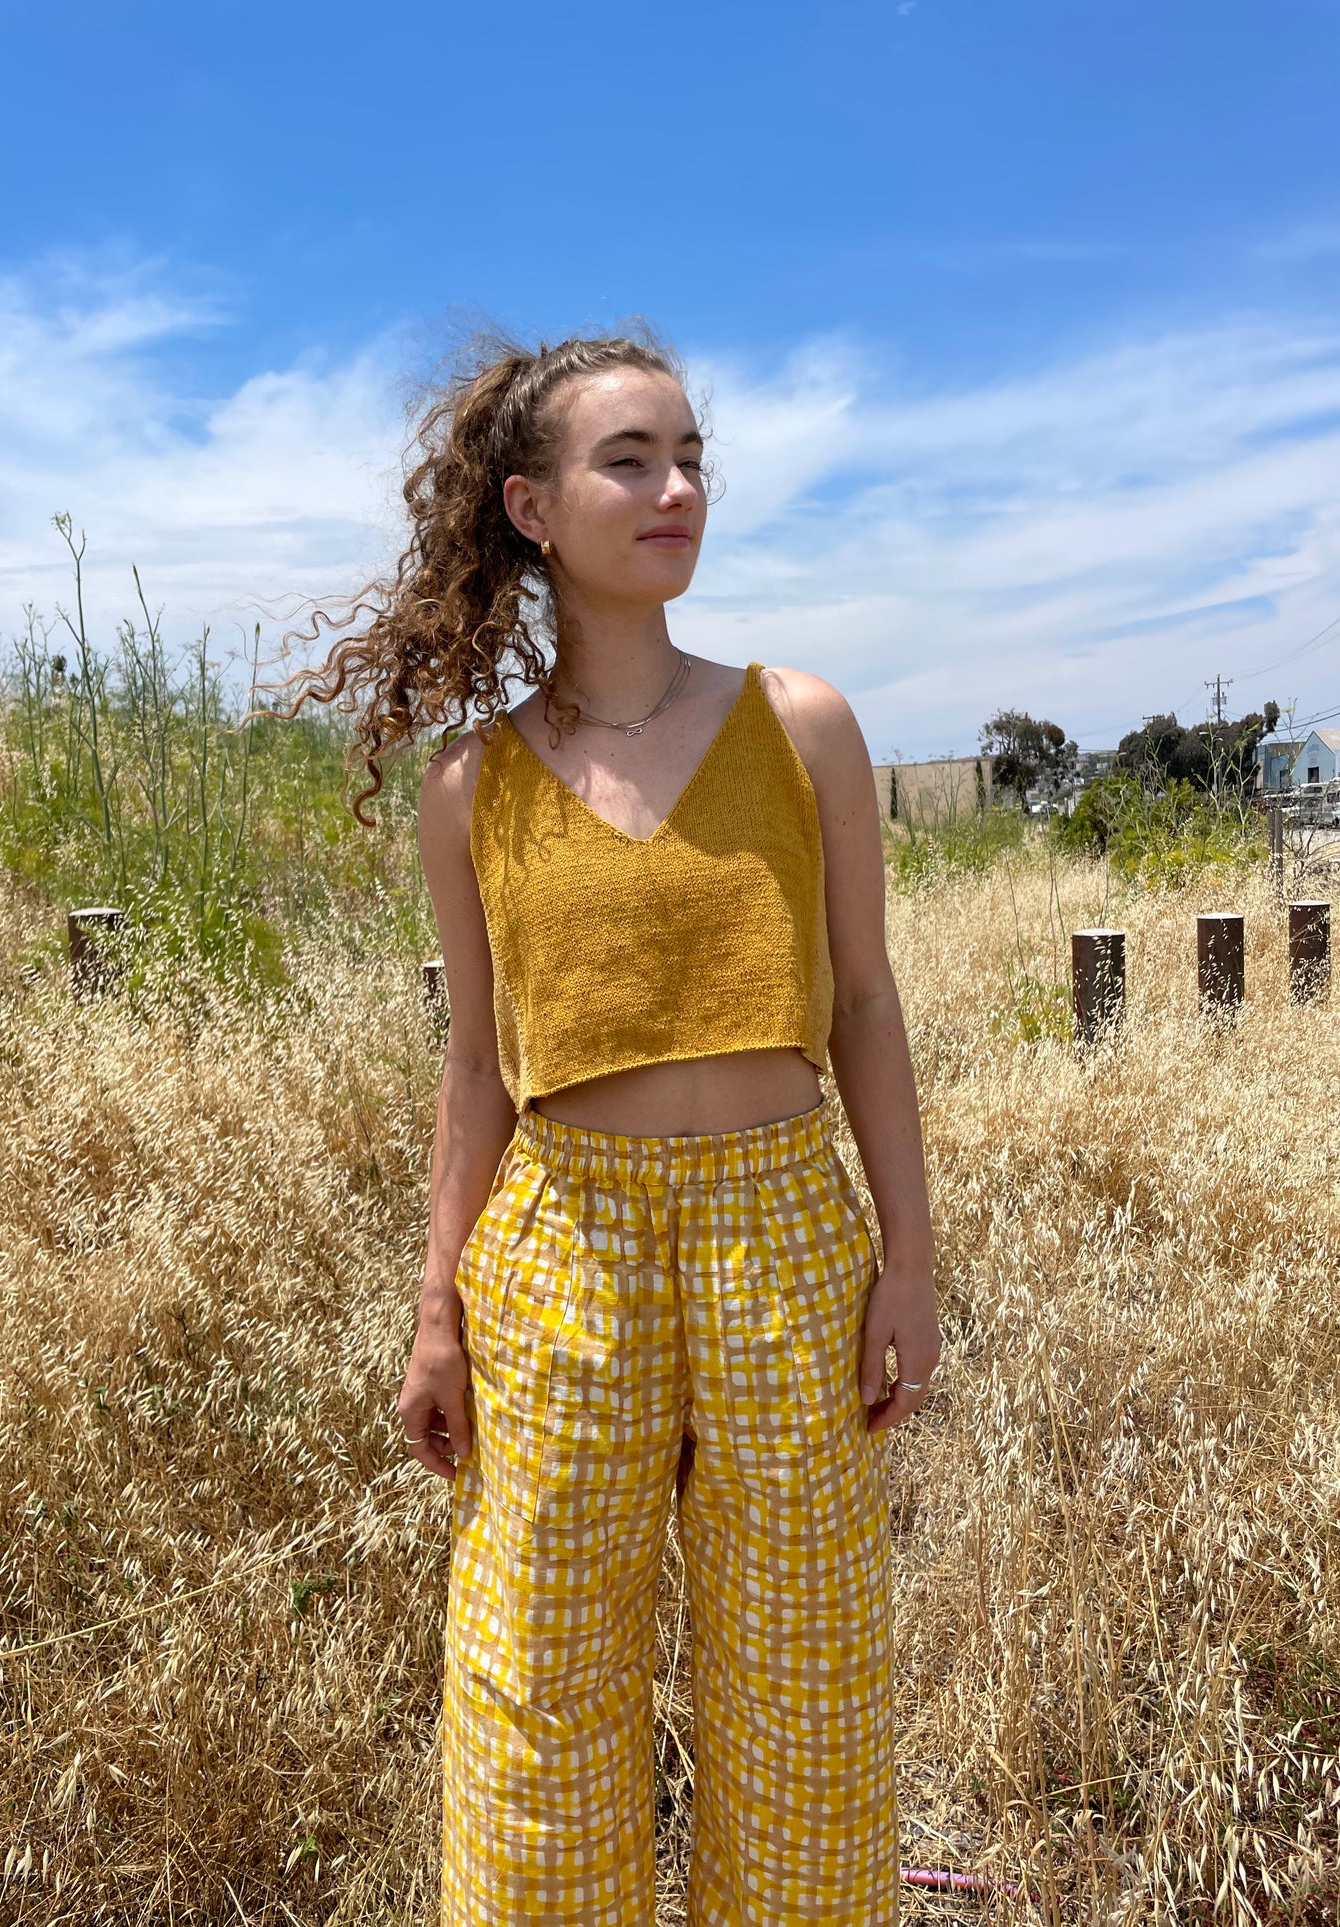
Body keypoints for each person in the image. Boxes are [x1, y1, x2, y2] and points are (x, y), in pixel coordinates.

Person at [294, 334, 940, 1925]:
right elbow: (474, 1074)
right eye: (628, 460)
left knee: (808, 1684)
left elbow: (862, 1004)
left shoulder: (800, 723)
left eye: (690, 456)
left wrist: (908, 1260)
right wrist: (435, 1314)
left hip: (785, 1233)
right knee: (540, 1684)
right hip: (561, 1241)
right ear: (529, 506)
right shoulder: (471, 784)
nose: (675, 489)